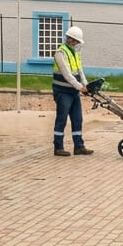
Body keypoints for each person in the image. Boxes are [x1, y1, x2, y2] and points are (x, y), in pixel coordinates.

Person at [52, 26, 93, 156]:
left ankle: (79, 146)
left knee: (77, 119)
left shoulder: (75, 53)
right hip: (62, 92)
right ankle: (58, 147)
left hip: (73, 92)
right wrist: (79, 87)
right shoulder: (61, 53)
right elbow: (67, 74)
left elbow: (80, 71)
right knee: (62, 119)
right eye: (77, 42)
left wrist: (86, 85)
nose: (79, 45)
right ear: (71, 40)